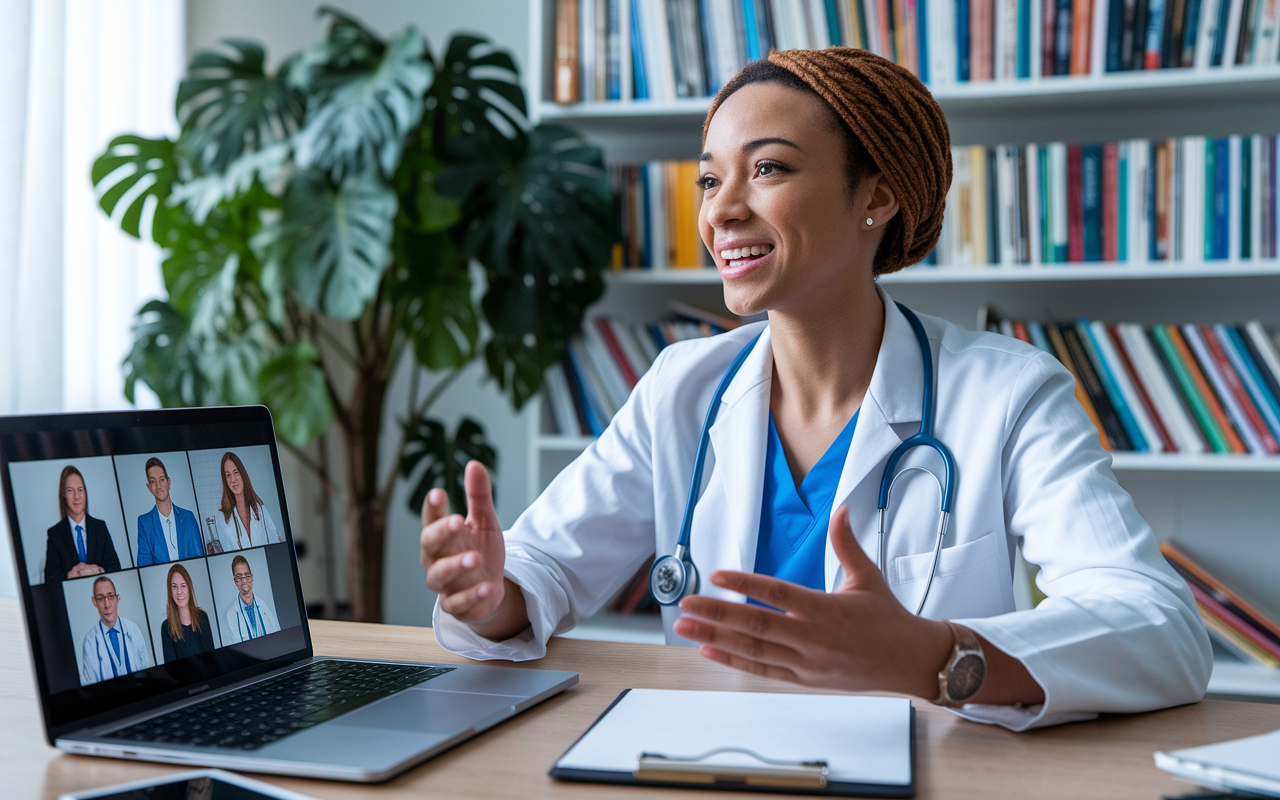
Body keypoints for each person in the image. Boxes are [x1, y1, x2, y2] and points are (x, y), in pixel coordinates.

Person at [419, 49, 1212, 732]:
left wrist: (935, 656)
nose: (722, 211)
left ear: (876, 195)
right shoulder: (683, 388)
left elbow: (1159, 628)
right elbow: (540, 569)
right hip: (702, 763)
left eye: (767, 168)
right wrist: (490, 596)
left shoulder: (1008, 396)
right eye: (709, 180)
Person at [45, 465, 121, 583]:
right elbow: (50, 578)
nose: (76, 496)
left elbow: (115, 566)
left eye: (80, 490)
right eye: (70, 491)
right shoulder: (55, 534)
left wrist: (98, 570)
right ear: (63, 494)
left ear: (85, 493)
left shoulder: (100, 527)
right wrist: (69, 576)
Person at [81, 575, 152, 685]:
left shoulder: (133, 629)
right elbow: (90, 684)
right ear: (94, 602)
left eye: (111, 596)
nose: (107, 604)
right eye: (100, 598)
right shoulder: (90, 642)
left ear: (118, 599)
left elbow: (146, 668)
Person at [136, 458, 205, 566]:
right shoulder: (144, 523)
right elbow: (144, 564)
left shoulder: (188, 517)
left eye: (162, 480)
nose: (158, 486)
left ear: (169, 483)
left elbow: (200, 558)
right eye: (153, 481)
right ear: (149, 487)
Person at [214, 452, 281, 550]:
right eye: (228, 475)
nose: (232, 479)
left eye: (236, 472)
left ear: (243, 474)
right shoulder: (221, 518)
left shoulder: (260, 508)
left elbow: (275, 538)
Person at [158, 563, 216, 662]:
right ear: (170, 590)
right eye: (174, 586)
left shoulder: (202, 617)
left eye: (183, 586)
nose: (179, 591)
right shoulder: (166, 627)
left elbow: (212, 658)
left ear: (189, 588)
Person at [222, 555, 280, 643]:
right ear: (235, 581)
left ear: (252, 578)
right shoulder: (229, 616)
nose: (244, 580)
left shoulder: (266, 604)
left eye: (247, 575)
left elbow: (278, 637)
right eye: (239, 577)